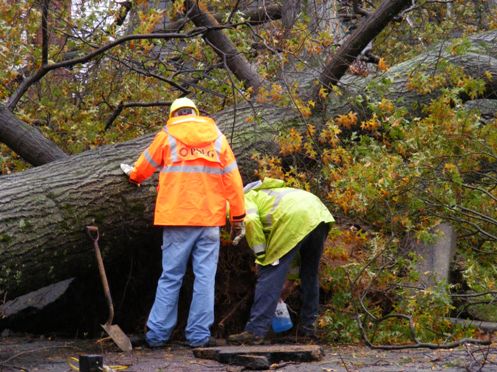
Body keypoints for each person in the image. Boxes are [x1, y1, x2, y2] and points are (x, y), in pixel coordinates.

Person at [120, 97, 245, 348]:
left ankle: (157, 336)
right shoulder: (217, 138)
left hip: (177, 219)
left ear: (173, 114)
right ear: (196, 113)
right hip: (210, 221)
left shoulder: (168, 135)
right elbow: (233, 179)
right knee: (204, 278)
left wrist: (133, 176)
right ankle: (199, 337)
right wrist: (238, 217)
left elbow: (144, 167)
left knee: (171, 277)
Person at [227, 177, 334, 345]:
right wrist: (290, 278)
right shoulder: (271, 194)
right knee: (309, 274)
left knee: (268, 271)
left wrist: (261, 257)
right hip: (319, 214)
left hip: (295, 219)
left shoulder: (241, 199)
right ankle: (308, 329)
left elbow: (252, 222)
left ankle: (255, 331)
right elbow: (291, 246)